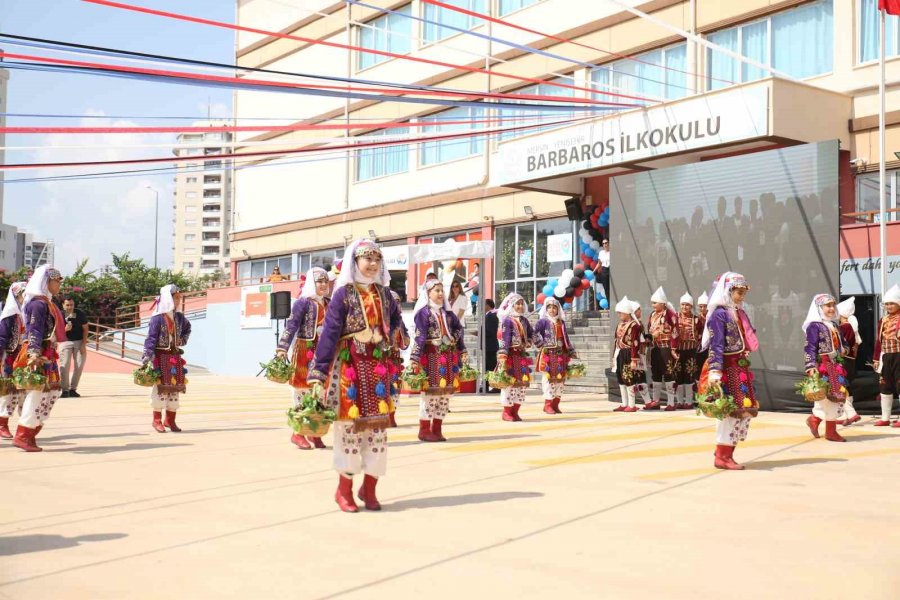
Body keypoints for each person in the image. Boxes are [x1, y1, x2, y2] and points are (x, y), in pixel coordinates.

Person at [308, 239, 408, 513]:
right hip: (349, 367)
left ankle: (370, 488)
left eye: (377, 259)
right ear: (355, 262)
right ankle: (344, 491)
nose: (373, 264)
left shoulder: (386, 295)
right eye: (368, 259)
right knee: (349, 430)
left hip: (377, 369)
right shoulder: (343, 294)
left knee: (378, 431)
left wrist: (397, 333)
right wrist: (318, 372)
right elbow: (329, 333)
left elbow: (397, 320)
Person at [697, 272, 759, 470]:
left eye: (743, 293)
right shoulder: (719, 315)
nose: (741, 297)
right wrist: (715, 371)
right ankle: (723, 456)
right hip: (726, 369)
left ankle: (726, 452)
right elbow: (716, 345)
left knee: (743, 411)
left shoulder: (739, 313)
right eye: (738, 292)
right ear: (727, 291)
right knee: (729, 412)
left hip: (739, 369)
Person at [11, 266, 65, 452]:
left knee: (51, 393)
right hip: (39, 353)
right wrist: (34, 353)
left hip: (47, 353)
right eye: (57, 281)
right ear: (46, 282)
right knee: (37, 393)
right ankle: (23, 434)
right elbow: (34, 330)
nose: (59, 285)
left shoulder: (46, 303)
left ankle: (31, 431)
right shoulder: (38, 304)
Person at [276, 267, 330, 450]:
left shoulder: (330, 303)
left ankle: (315, 431)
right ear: (311, 284)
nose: (323, 285)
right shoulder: (303, 303)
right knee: (303, 391)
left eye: (325, 281)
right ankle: (298, 433)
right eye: (319, 281)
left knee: (321, 392)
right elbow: (291, 326)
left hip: (324, 352)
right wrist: (282, 347)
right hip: (305, 350)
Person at [410, 279, 466, 442]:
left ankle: (437, 428)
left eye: (442, 290)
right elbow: (420, 337)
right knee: (430, 395)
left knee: (445, 395)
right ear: (428, 294)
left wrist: (459, 345)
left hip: (448, 358)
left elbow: (459, 328)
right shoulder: (424, 313)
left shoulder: (448, 314)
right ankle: (424, 429)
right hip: (431, 358)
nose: (441, 294)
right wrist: (415, 358)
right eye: (437, 291)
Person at [141, 284, 191, 434]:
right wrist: (147, 355)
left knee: (175, 388)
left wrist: (182, 339)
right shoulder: (157, 318)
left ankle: (170, 420)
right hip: (160, 357)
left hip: (175, 357)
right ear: (168, 298)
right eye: (176, 298)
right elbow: (151, 338)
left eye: (179, 299)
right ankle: (156, 420)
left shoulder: (180, 317)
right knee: (160, 389)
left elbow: (188, 328)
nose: (178, 301)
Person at [802, 294, 848, 442]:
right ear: (818, 308)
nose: (831, 308)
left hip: (835, 364)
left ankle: (814, 420)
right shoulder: (814, 325)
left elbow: (842, 342)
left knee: (833, 397)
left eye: (832, 305)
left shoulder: (833, 324)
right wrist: (810, 366)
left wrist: (844, 348)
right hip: (823, 365)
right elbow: (809, 347)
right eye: (827, 306)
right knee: (831, 397)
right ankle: (831, 431)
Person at [533, 297, 576, 414]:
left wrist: (571, 350)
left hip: (561, 354)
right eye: (549, 307)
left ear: (558, 309)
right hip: (548, 354)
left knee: (560, 380)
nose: (552, 310)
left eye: (554, 307)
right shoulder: (543, 321)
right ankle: (548, 405)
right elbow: (533, 333)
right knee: (549, 379)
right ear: (546, 309)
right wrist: (541, 344)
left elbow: (566, 337)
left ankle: (556, 404)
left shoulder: (561, 322)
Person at [496, 293, 533, 422]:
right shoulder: (507, 320)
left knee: (521, 385)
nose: (520, 306)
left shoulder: (524, 320)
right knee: (509, 385)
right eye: (517, 304)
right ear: (512, 305)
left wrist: (529, 341)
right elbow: (505, 339)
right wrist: (503, 355)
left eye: (522, 304)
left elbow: (531, 333)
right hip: (510, 356)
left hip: (521, 356)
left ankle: (515, 411)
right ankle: (507, 412)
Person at [0, 282, 27, 440]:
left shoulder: (24, 312)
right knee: (8, 390)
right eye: (23, 294)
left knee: (22, 390)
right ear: (16, 296)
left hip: (22, 356)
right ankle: (2, 424)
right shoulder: (9, 314)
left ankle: (24, 426)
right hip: (9, 356)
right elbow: (2, 337)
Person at [646, 287, 679, 411]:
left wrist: (673, 348)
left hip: (666, 348)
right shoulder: (652, 315)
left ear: (662, 303)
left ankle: (671, 402)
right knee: (656, 374)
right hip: (655, 348)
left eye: (655, 303)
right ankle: (656, 401)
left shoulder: (670, 314)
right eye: (652, 303)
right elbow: (650, 329)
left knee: (669, 373)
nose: (653, 305)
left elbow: (675, 331)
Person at [872, 284, 900, 427]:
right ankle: (885, 417)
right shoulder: (883, 320)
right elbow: (879, 340)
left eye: (892, 303)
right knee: (885, 386)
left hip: (899, 356)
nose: (889, 306)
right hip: (886, 356)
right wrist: (876, 358)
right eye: (887, 303)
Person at [674, 293, 703, 410]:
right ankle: (680, 401)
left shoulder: (696, 320)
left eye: (687, 305)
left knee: (690, 376)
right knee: (678, 376)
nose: (685, 307)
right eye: (683, 304)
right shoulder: (675, 318)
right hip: (678, 351)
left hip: (691, 351)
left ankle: (689, 401)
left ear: (691, 306)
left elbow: (700, 335)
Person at [837, 297, 862, 426]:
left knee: (841, 386)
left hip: (845, 361)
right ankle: (845, 414)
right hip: (850, 361)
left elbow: (842, 346)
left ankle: (851, 413)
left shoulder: (845, 327)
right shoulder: (849, 326)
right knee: (846, 386)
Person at [58, 297, 89, 398]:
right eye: (67, 305)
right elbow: (56, 332)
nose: (70, 307)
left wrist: (83, 344)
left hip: (79, 341)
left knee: (79, 366)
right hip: (65, 341)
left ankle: (73, 389)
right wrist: (65, 330)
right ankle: (65, 390)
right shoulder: (59, 314)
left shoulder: (79, 313)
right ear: (63, 305)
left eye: (71, 305)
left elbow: (85, 329)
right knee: (65, 365)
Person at [483, 299, 500, 393]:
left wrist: (479, 333)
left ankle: (495, 386)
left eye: (484, 304)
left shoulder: (491, 316)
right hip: (488, 345)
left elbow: (490, 331)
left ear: (488, 305)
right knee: (488, 367)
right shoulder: (488, 315)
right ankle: (487, 385)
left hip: (490, 345)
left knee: (491, 367)